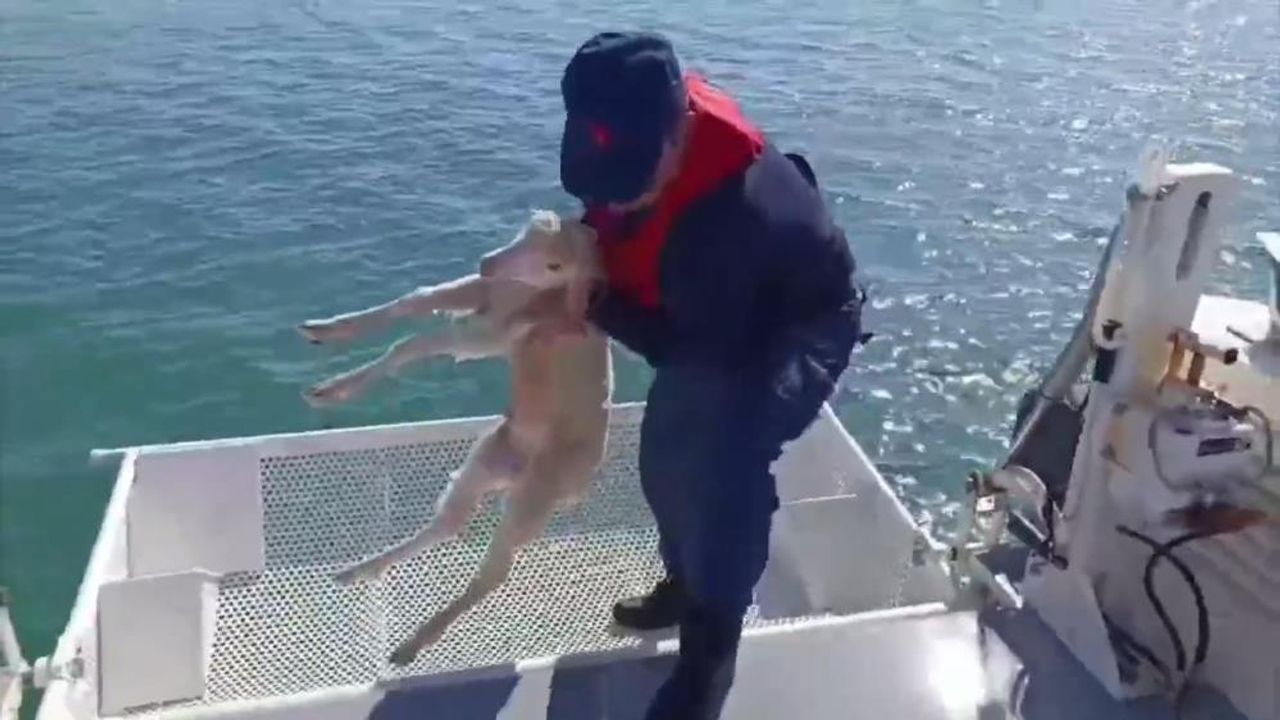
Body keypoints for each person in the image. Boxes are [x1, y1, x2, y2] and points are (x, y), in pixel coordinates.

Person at [557, 31, 867, 720]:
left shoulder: (729, 222)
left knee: (725, 459)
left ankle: (708, 658)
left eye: (634, 180)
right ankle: (685, 581)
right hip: (710, 312)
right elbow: (608, 230)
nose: (618, 200)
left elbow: (684, 348)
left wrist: (597, 304)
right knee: (665, 458)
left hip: (796, 325)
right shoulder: (640, 123)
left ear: (681, 134)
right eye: (605, 182)